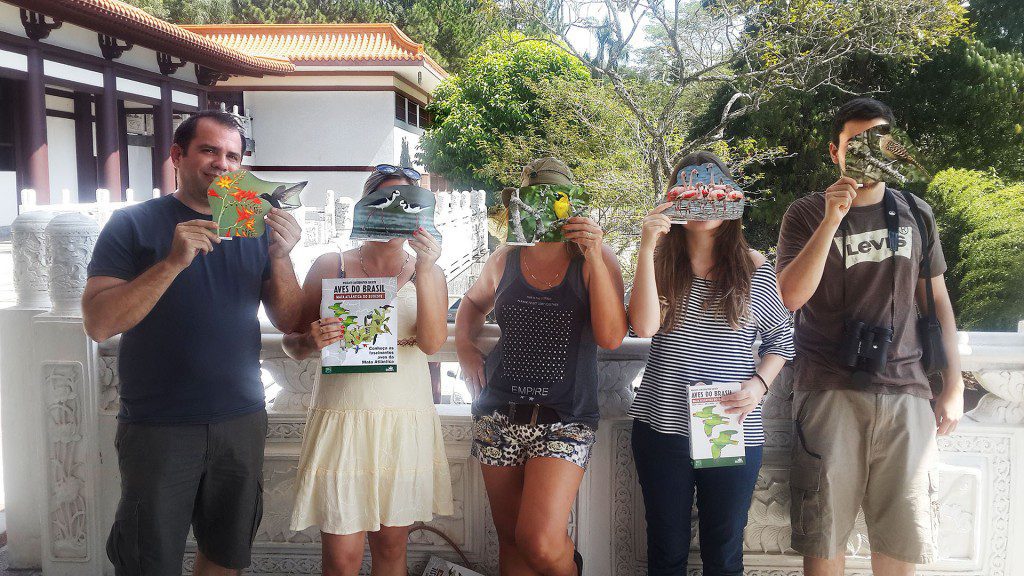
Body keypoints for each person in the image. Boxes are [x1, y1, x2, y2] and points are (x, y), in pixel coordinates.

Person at [83, 110, 305, 576]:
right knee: (148, 559)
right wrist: (172, 262)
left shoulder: (252, 223)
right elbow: (99, 323)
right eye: (209, 150)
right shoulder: (134, 224)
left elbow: (289, 321)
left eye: (232, 155)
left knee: (226, 555)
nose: (222, 164)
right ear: (177, 155)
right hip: (159, 422)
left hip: (240, 418)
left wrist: (282, 257)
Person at [775, 97, 964, 576]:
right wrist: (832, 218)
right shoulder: (805, 214)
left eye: (878, 140)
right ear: (835, 153)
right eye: (854, 143)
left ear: (892, 147)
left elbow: (937, 301)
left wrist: (954, 383)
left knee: (902, 546)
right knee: (824, 541)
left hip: (907, 392)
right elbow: (791, 297)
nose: (867, 151)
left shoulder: (917, 213)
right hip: (828, 391)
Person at [455, 157, 627, 576]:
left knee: (540, 541)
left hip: (565, 417)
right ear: (519, 203)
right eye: (534, 198)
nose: (545, 208)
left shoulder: (595, 257)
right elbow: (474, 303)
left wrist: (593, 254)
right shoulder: (506, 256)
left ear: (573, 205)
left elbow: (611, 336)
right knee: (510, 538)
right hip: (497, 409)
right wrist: (464, 346)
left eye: (556, 200)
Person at [628, 151, 794, 575]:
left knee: (723, 552)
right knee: (666, 550)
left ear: (731, 200)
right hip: (662, 423)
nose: (702, 203)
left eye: (713, 190)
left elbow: (782, 339)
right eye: (690, 191)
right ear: (673, 199)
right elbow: (644, 326)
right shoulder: (661, 262)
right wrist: (648, 244)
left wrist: (758, 386)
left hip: (725, 423)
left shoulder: (754, 267)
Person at [285, 165, 453, 576]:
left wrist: (428, 268)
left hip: (402, 422)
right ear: (366, 207)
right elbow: (293, 344)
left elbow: (432, 344)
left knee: (392, 549)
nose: (399, 212)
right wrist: (313, 339)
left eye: (410, 205)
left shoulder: (427, 270)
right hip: (343, 423)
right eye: (387, 202)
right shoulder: (331, 264)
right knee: (341, 559)